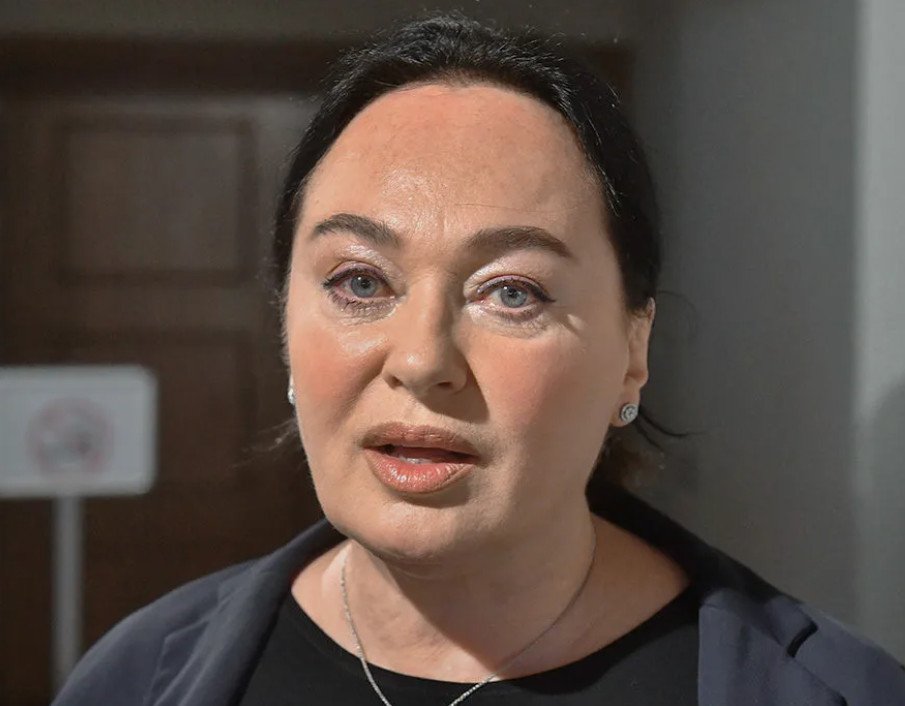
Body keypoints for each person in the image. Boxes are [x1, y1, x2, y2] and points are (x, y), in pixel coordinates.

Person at [52, 13, 905, 706]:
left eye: (512, 292)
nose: (422, 359)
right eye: (358, 281)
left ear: (631, 351)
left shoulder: (834, 691)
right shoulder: (140, 676)